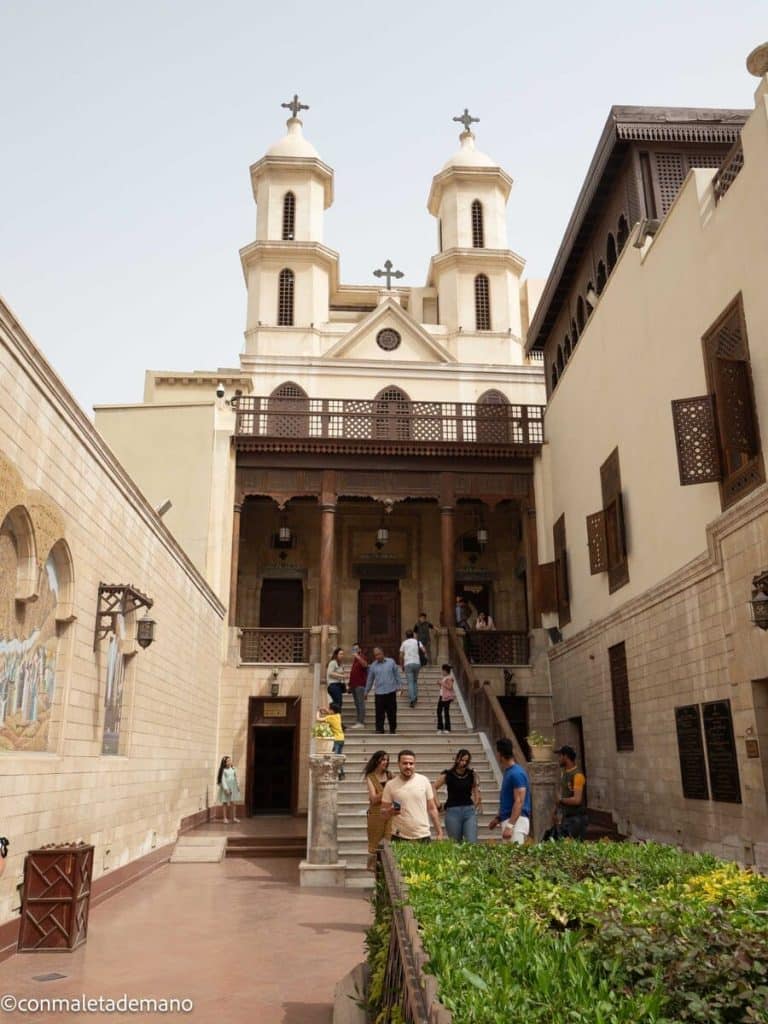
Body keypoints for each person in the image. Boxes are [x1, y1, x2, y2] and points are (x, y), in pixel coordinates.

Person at [381, 750, 444, 842]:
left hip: (423, 835)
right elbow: (383, 814)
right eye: (405, 763)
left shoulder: (424, 781)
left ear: (415, 764)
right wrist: (390, 812)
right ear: (398, 764)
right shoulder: (390, 785)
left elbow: (432, 808)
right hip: (399, 837)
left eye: (411, 763)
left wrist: (440, 832)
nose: (408, 766)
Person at [488, 737, 531, 844]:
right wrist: (498, 818)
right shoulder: (509, 772)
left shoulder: (516, 773)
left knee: (516, 858)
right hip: (510, 820)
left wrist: (510, 825)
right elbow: (509, 800)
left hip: (516, 822)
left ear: (500, 754)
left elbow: (519, 801)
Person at [433, 749, 482, 843]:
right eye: (462, 760)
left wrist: (476, 802)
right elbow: (433, 787)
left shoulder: (471, 774)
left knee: (471, 842)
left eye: (466, 761)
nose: (463, 763)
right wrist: (438, 805)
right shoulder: (448, 774)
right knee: (456, 843)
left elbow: (475, 787)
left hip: (469, 810)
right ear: (457, 759)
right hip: (452, 810)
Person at [363, 749, 393, 870]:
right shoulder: (370, 777)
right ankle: (376, 875)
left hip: (390, 813)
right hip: (376, 814)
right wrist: (388, 789)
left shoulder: (390, 775)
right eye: (382, 760)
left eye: (387, 760)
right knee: (375, 845)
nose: (385, 762)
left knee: (388, 842)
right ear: (376, 761)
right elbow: (374, 799)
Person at [364, 647, 404, 734]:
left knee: (392, 712)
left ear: (382, 653)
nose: (377, 656)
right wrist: (366, 692)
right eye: (375, 655)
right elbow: (370, 680)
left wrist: (400, 686)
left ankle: (392, 729)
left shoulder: (391, 662)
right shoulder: (373, 666)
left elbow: (397, 675)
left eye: (378, 654)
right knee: (379, 713)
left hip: (391, 691)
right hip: (379, 692)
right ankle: (379, 729)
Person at [554, 745, 587, 839]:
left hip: (576, 818)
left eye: (560, 756)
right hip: (565, 817)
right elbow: (561, 793)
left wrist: (561, 800)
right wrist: (555, 812)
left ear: (566, 757)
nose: (558, 759)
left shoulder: (577, 775)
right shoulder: (564, 773)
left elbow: (577, 800)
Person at [317, 702, 345, 778]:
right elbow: (330, 713)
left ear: (333, 710)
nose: (328, 710)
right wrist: (325, 710)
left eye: (329, 708)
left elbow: (318, 719)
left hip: (336, 739)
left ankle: (337, 773)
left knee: (335, 757)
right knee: (339, 757)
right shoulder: (338, 715)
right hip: (342, 738)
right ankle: (341, 773)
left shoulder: (330, 718)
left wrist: (317, 712)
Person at [399, 629, 425, 708]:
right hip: (417, 663)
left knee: (410, 682)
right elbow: (424, 650)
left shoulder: (404, 643)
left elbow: (401, 655)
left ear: (406, 636)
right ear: (413, 635)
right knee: (415, 681)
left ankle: (412, 699)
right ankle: (415, 696)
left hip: (408, 663)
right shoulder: (417, 642)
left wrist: (401, 665)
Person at [348, 644, 368, 729]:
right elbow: (353, 673)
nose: (354, 650)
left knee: (360, 703)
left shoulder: (362, 657)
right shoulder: (355, 660)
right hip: (354, 685)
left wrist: (358, 656)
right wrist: (350, 685)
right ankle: (359, 720)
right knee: (357, 704)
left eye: (356, 648)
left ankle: (361, 722)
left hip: (360, 685)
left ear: (360, 649)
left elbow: (365, 665)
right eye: (353, 649)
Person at [216, 755, 241, 824]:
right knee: (225, 803)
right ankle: (225, 818)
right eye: (227, 761)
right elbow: (223, 780)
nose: (229, 762)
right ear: (224, 763)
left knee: (233, 803)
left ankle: (234, 817)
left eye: (230, 761)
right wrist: (226, 789)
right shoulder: (224, 770)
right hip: (226, 788)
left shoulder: (233, 769)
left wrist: (237, 786)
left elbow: (236, 778)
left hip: (233, 787)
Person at [436, 663, 455, 733]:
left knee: (446, 712)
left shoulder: (449, 678)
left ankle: (447, 728)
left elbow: (450, 687)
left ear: (446, 671)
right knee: (439, 711)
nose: (442, 672)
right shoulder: (444, 678)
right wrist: (440, 684)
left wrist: (442, 683)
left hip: (447, 697)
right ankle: (440, 728)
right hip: (442, 696)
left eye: (443, 670)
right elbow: (443, 688)